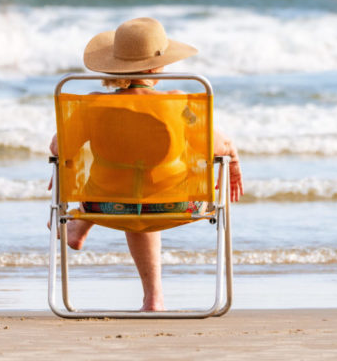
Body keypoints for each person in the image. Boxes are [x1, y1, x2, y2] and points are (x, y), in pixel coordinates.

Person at [49, 17, 243, 312]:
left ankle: (81, 223)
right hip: (178, 204)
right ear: (155, 68)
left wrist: (64, 178)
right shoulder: (178, 106)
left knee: (128, 186)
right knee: (150, 184)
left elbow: (57, 148)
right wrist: (234, 160)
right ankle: (154, 299)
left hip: (106, 205)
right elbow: (216, 145)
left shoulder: (94, 108)